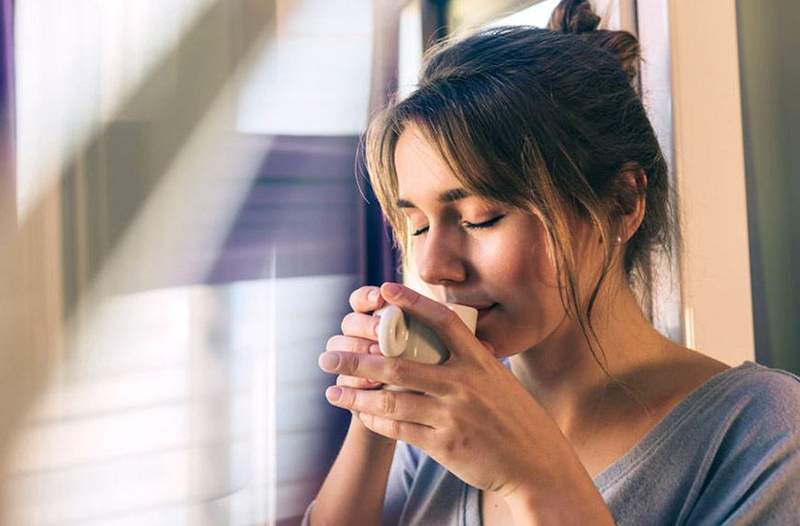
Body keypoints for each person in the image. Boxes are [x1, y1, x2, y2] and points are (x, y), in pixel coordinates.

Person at [303, 0, 800, 524]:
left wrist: (535, 478)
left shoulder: (763, 431)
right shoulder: (447, 410)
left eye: (481, 217)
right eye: (418, 225)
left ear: (624, 203)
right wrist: (375, 414)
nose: (432, 266)